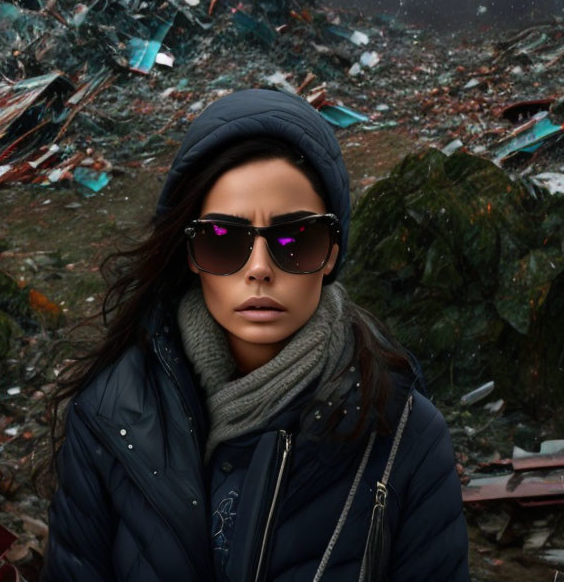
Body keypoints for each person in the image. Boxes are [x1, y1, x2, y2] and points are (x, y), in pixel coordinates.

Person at [41, 88, 469, 582]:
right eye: (223, 241)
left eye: (295, 240)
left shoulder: (406, 435)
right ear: (190, 253)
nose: (260, 269)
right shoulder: (107, 419)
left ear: (332, 252)